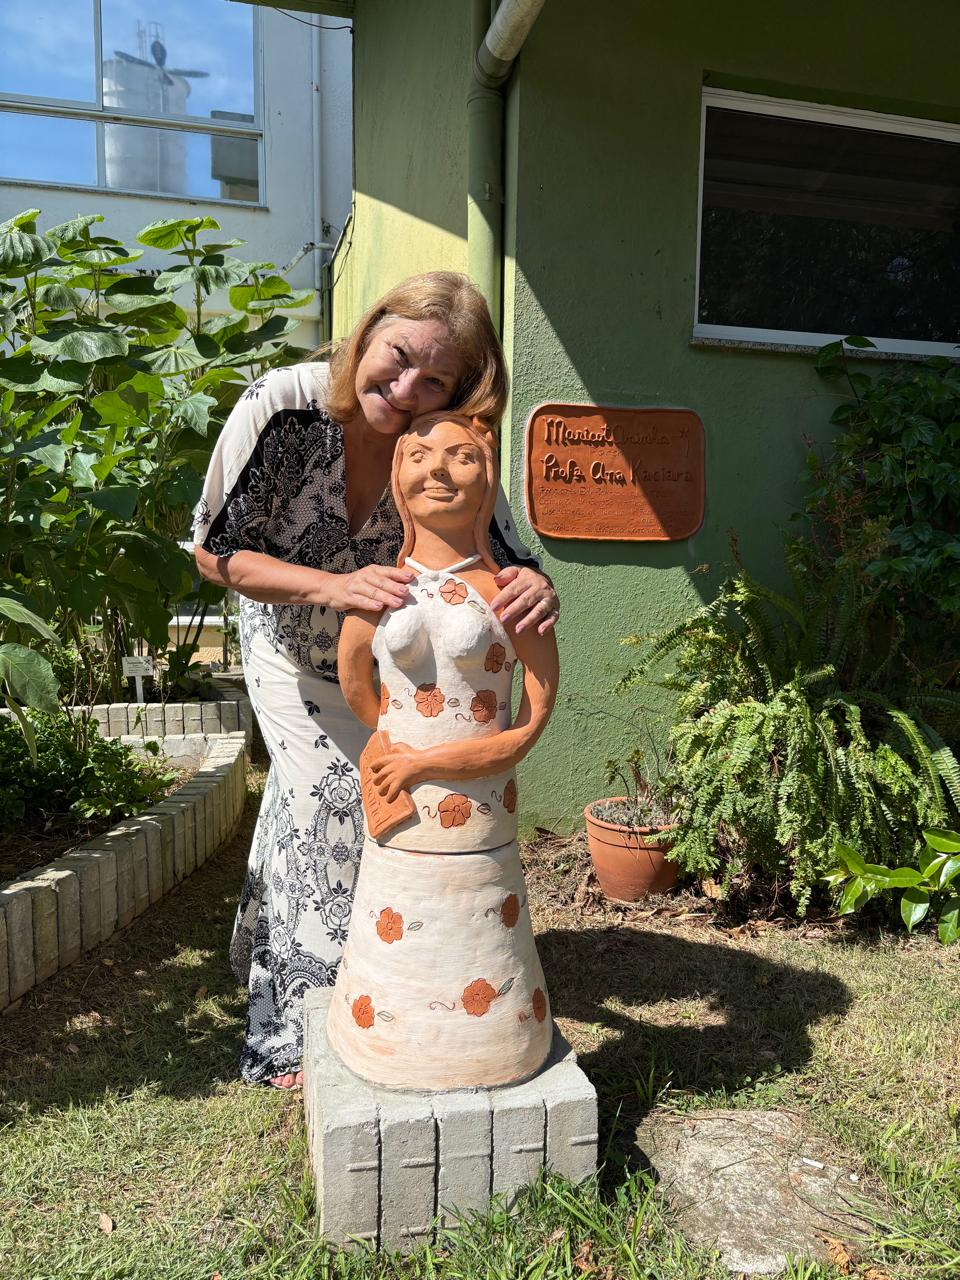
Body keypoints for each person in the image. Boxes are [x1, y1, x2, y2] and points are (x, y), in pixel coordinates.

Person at [193, 272, 558, 1088]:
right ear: (368, 330)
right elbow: (214, 549)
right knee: (331, 794)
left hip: (389, 670)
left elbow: (505, 548)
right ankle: (289, 1026)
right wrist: (329, 586)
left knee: (344, 804)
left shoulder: (436, 439)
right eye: (397, 360)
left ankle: (283, 947)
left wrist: (539, 583)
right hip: (288, 642)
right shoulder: (283, 406)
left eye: (436, 380)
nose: (405, 390)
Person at [328, 410, 559, 1089]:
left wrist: (429, 761)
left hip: (478, 811)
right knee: (393, 929)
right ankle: (382, 1044)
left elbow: (530, 721)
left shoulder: (511, 592)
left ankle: (492, 1050)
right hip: (396, 804)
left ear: (487, 478)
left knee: (480, 924)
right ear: (398, 477)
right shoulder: (381, 587)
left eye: (460, 456)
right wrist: (393, 739)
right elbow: (354, 678)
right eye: (420, 455)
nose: (437, 470)